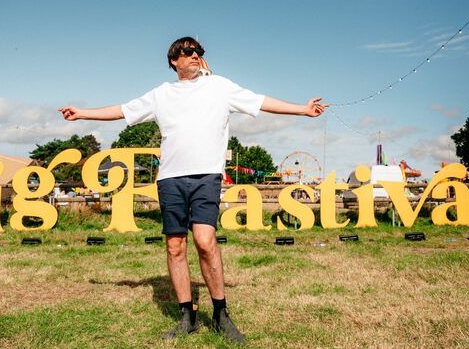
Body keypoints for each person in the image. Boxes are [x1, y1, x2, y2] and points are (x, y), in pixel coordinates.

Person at [59, 36, 327, 344]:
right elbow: (122, 110)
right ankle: (187, 315)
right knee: (175, 246)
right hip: (171, 178)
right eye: (187, 52)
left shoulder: (220, 87)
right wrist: (82, 113)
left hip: (206, 176)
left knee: (204, 240)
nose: (194, 55)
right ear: (174, 60)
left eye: (198, 51)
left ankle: (221, 314)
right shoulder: (162, 94)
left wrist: (302, 110)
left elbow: (261, 101)